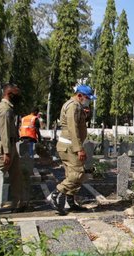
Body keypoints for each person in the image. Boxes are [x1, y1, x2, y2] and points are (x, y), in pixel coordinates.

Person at [47, 85, 95, 215]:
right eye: (87, 98)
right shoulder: (73, 106)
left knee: (72, 175)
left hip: (70, 145)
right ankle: (55, 195)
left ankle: (71, 202)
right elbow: (73, 129)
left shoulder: (78, 106)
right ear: (79, 95)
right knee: (78, 174)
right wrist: (79, 149)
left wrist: (85, 115)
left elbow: (79, 124)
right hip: (70, 146)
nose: (88, 101)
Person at [0, 83, 28, 212]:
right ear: (9, 93)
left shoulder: (8, 108)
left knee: (16, 175)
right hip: (4, 147)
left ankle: (19, 202)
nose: (19, 96)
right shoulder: (4, 109)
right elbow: (4, 132)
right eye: (17, 93)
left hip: (9, 146)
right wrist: (7, 152)